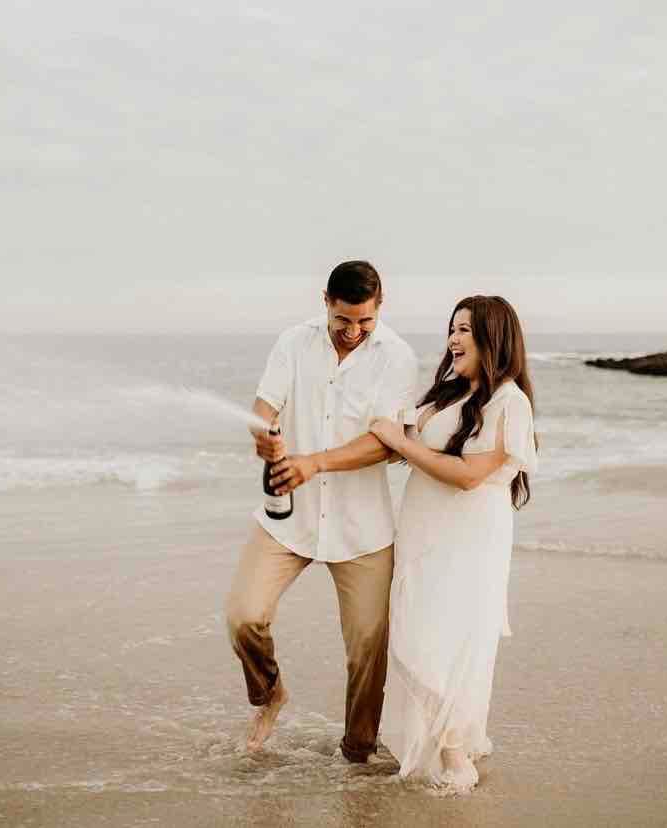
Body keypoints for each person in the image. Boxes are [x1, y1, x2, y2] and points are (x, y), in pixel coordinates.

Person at [224, 261, 419, 763]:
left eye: (365, 323)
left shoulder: (397, 357)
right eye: (343, 321)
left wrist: (314, 462)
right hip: (288, 518)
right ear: (325, 302)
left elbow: (384, 443)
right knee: (244, 616)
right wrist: (265, 437)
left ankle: (357, 752)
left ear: (380, 308)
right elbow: (263, 407)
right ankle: (270, 695)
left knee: (368, 647)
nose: (353, 333)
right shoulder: (293, 342)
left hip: (363, 529)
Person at [368, 295, 537, 793]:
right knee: (414, 630)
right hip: (422, 536)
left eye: (466, 329)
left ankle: (455, 755)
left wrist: (401, 443)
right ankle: (434, 745)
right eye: (452, 329)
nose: (454, 339)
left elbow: (468, 475)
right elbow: (393, 426)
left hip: (468, 545)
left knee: (446, 640)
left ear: (495, 338)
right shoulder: (447, 397)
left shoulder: (511, 403)